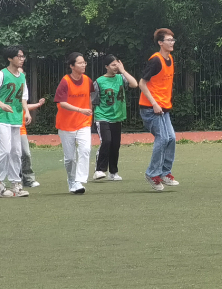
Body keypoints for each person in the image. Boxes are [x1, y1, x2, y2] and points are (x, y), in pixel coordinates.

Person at [0, 47, 46, 198]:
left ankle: (15, 183)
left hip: (15, 119)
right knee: (5, 151)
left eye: (23, 56)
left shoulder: (22, 77)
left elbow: (23, 97)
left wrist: (26, 111)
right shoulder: (1, 75)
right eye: (18, 56)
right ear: (10, 58)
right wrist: (1, 105)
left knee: (16, 152)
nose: (22, 59)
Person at [139, 28, 178, 192]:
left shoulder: (170, 59)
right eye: (169, 40)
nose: (172, 42)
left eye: (173, 40)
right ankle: (152, 174)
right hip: (151, 108)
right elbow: (142, 83)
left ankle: (165, 172)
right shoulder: (155, 60)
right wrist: (154, 103)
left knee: (172, 138)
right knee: (162, 139)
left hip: (163, 107)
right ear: (160, 43)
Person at [92, 54, 137, 182]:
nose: (115, 67)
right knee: (106, 141)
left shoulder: (121, 78)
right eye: (113, 65)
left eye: (117, 64)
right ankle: (99, 170)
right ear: (106, 67)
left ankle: (113, 172)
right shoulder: (99, 81)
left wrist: (123, 71)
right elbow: (93, 100)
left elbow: (134, 84)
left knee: (115, 145)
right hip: (102, 116)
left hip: (117, 116)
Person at [54, 52, 94, 195]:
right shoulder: (65, 81)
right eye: (80, 63)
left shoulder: (87, 80)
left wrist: (89, 113)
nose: (84, 65)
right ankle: (71, 180)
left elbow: (89, 97)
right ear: (72, 66)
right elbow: (62, 103)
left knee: (85, 150)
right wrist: (80, 110)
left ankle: (79, 180)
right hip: (66, 124)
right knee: (70, 158)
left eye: (84, 62)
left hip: (83, 122)